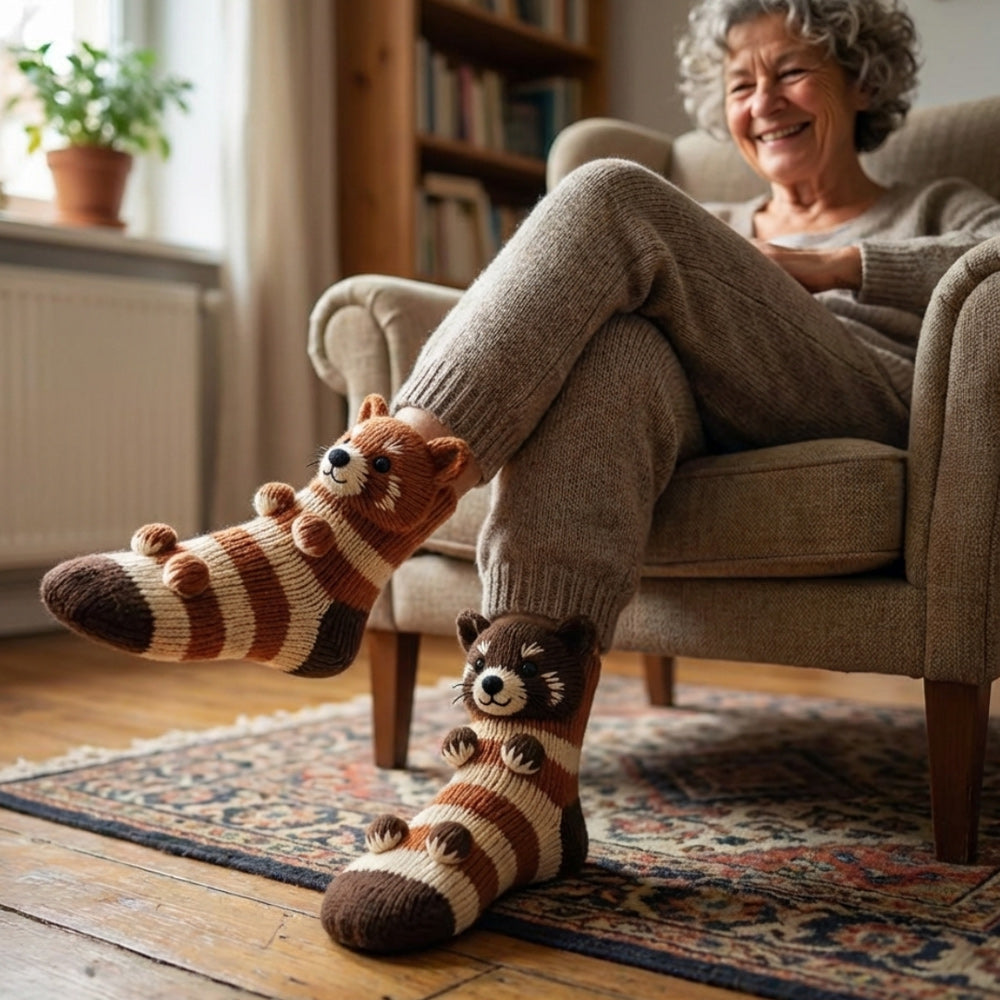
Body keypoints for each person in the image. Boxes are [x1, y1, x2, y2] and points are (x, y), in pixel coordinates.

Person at [40, 0, 1000, 954]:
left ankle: (336, 537)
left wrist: (835, 265)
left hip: (864, 392)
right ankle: (525, 777)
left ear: (861, 80)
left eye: (792, 72)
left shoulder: (936, 203)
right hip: (700, 418)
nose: (763, 102)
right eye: (741, 83)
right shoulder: (704, 225)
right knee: (618, 353)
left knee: (611, 191)